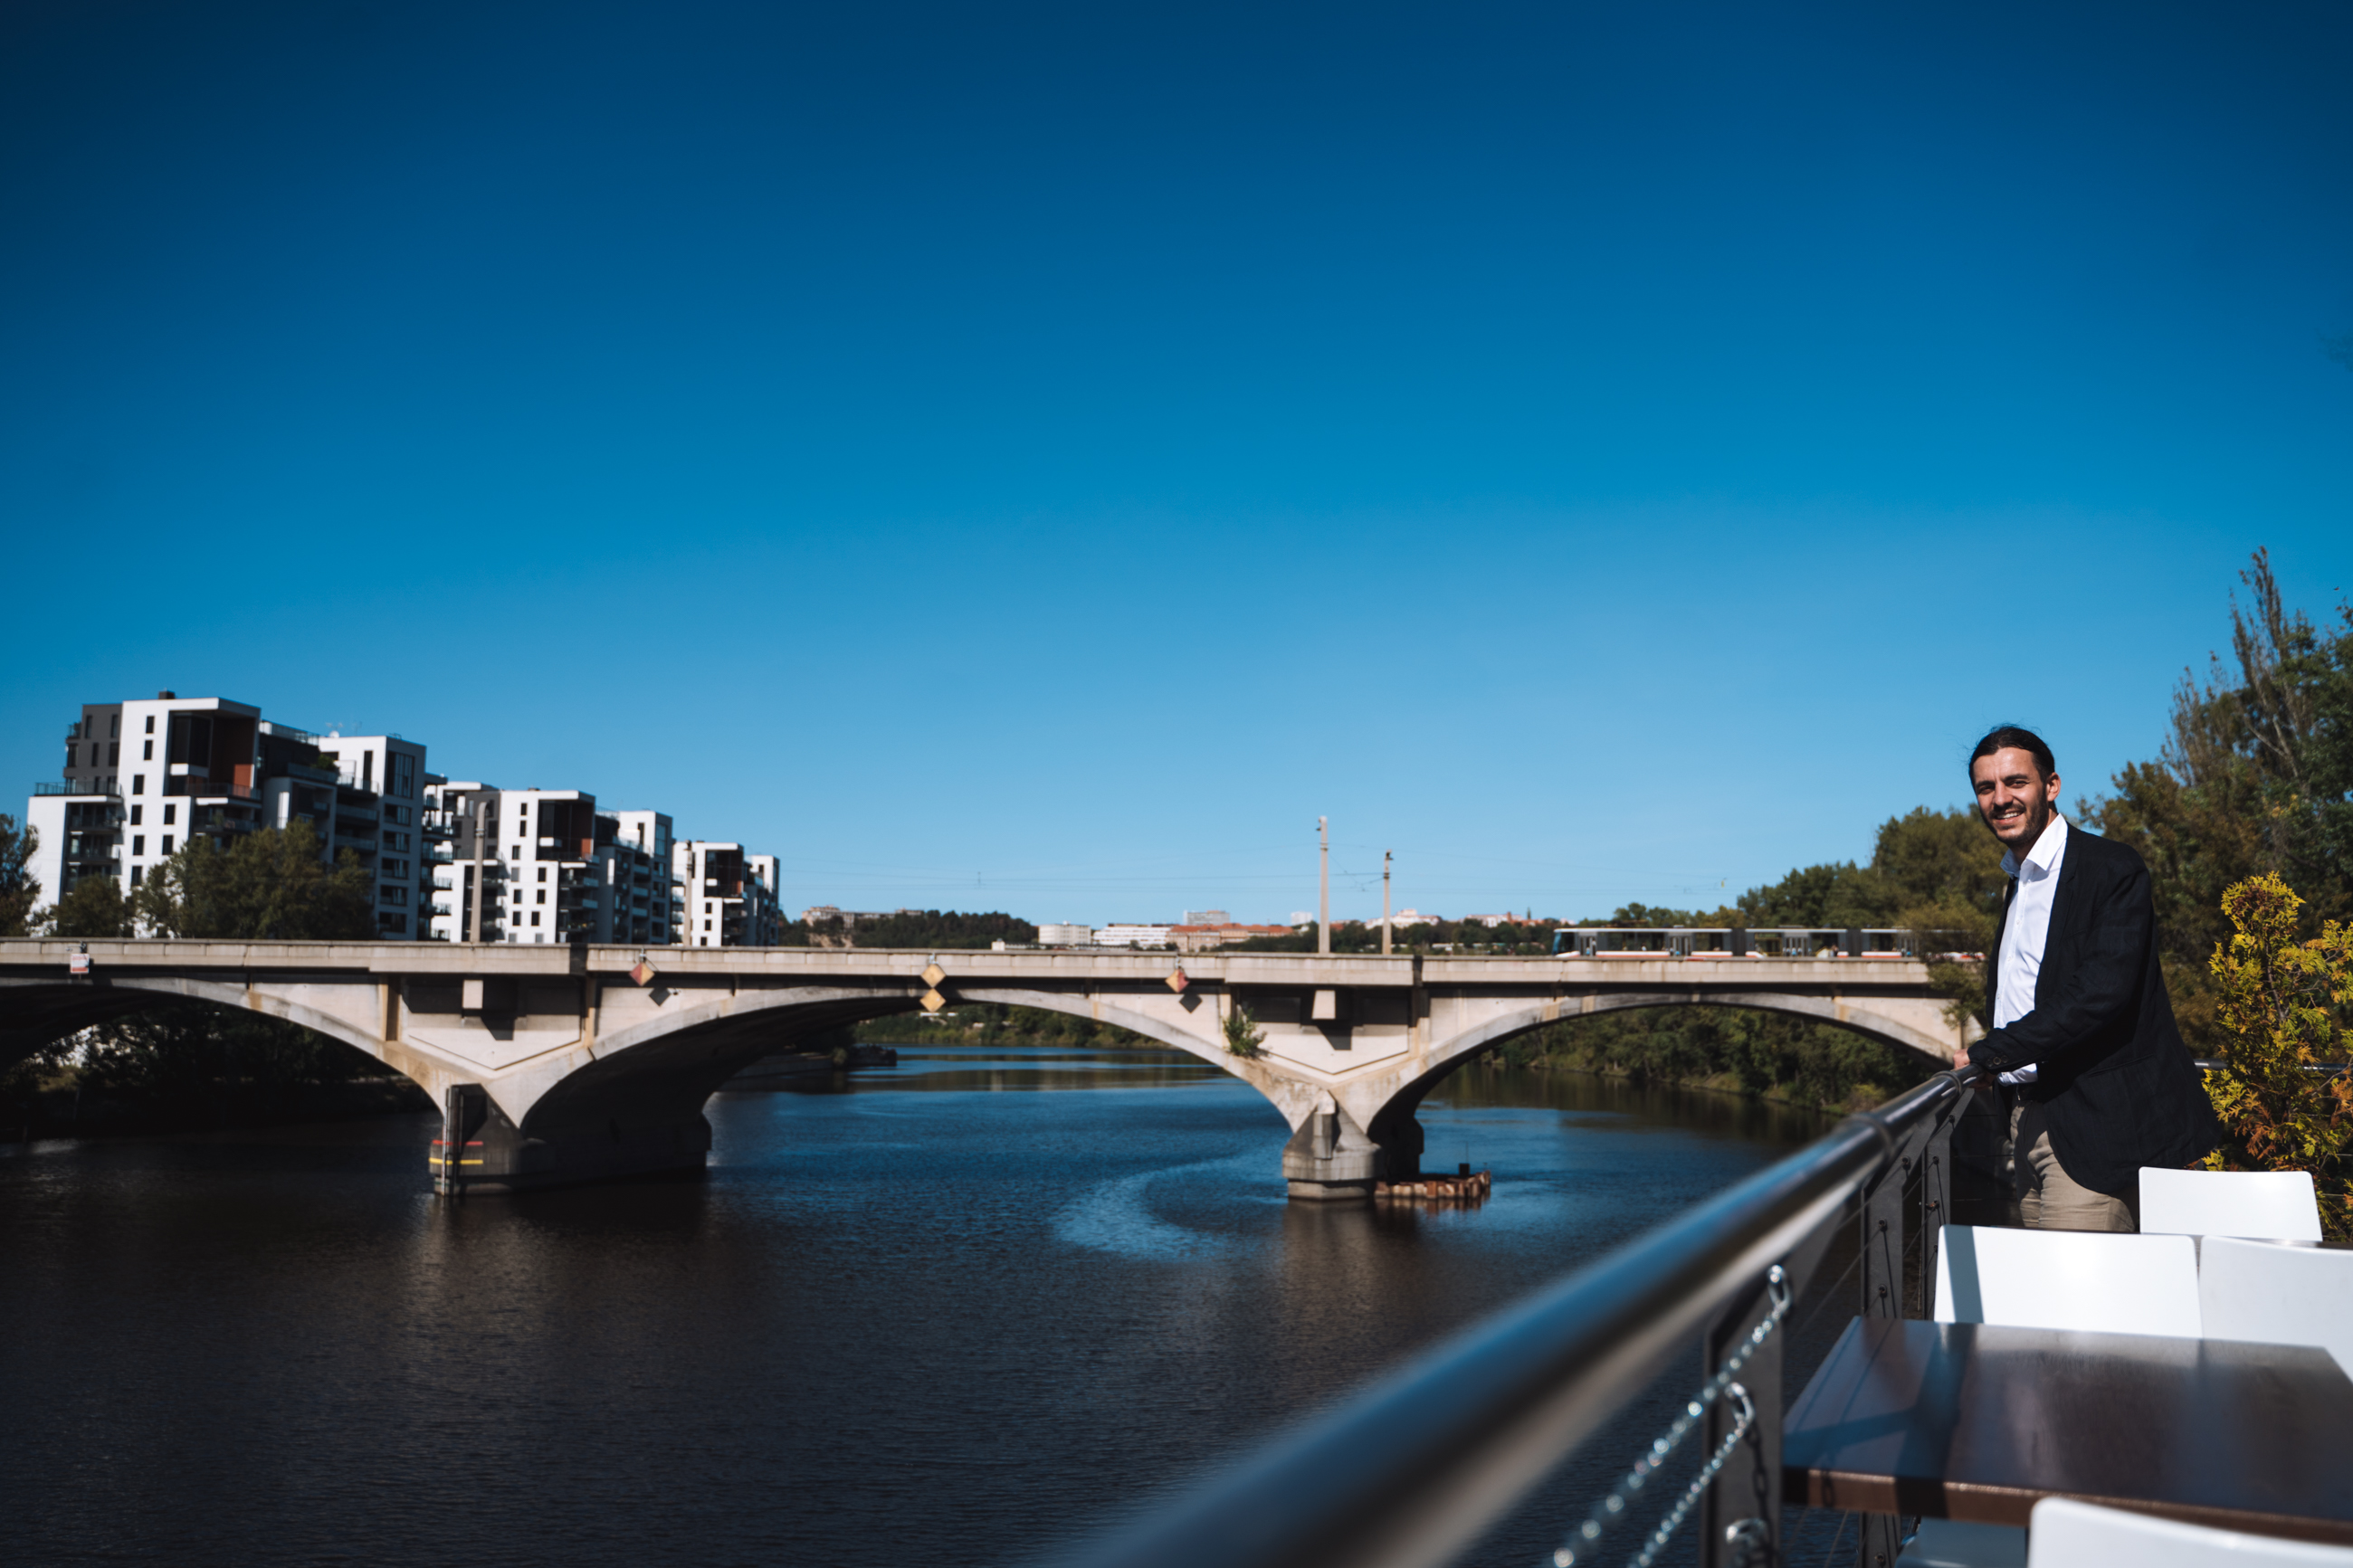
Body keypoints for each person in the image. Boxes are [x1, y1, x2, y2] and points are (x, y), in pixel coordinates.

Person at [1957, 725, 2218, 1231]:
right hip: (2028, 1116)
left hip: (2096, 1122)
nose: (2001, 799)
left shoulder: (2110, 868)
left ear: (2051, 786)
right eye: (1986, 788)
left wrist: (1991, 1052)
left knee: (2075, 1297)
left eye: (2016, 782)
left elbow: (2099, 993)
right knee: (2046, 1293)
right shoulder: (2018, 882)